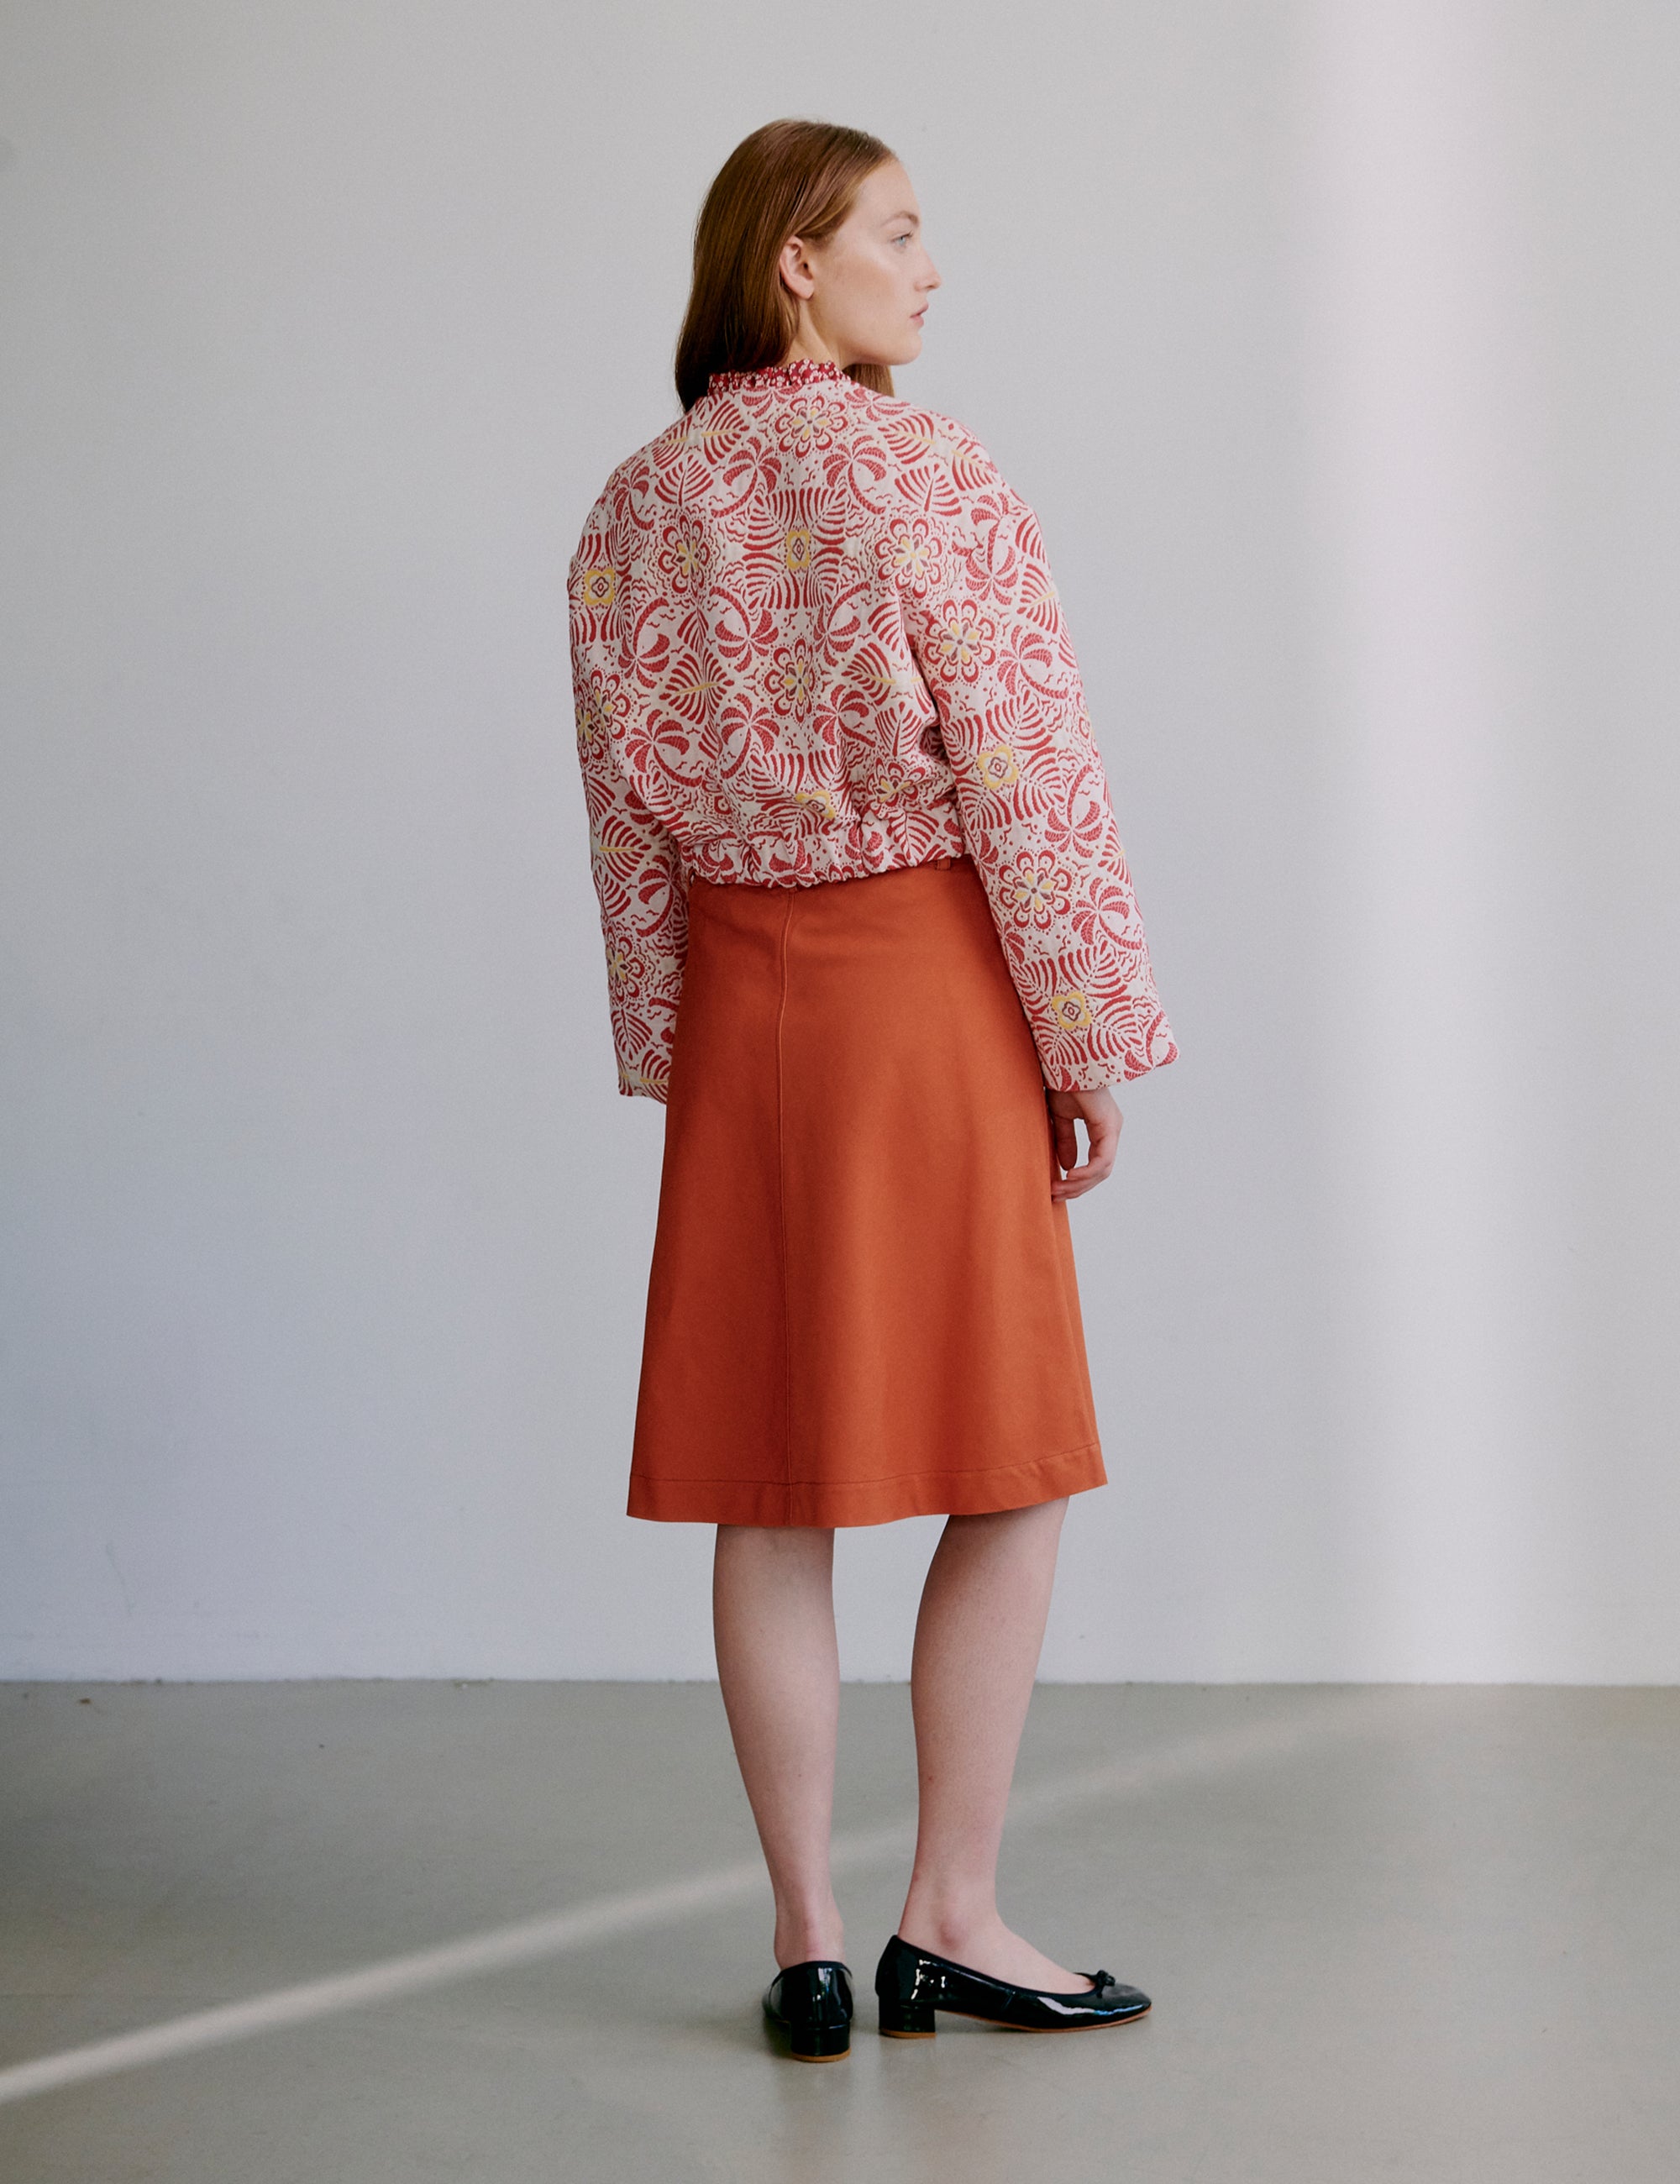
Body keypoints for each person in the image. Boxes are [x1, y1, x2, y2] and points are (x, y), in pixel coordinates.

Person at [568, 118, 1178, 2061]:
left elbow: (623, 830)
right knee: (1005, 1457)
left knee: (774, 1484)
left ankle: (811, 1940)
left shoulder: (630, 507)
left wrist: (669, 1046)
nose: (931, 270)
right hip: (924, 995)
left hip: (750, 1012)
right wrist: (1084, 1033)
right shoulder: (927, 468)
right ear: (792, 267)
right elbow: (1027, 767)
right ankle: (959, 1911)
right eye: (899, 235)